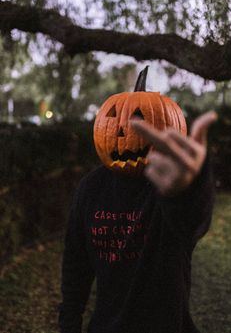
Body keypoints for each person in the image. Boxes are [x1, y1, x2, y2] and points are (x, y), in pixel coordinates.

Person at [58, 110, 217, 333]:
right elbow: (76, 266)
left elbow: (192, 222)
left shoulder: (166, 189)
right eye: (116, 117)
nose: (127, 133)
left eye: (141, 121)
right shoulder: (90, 189)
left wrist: (190, 189)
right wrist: (69, 325)